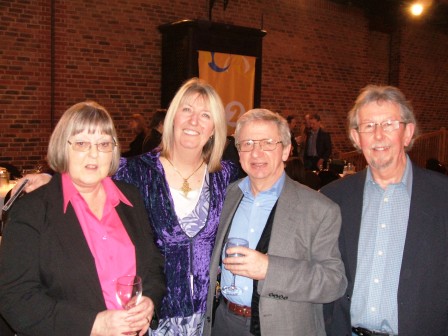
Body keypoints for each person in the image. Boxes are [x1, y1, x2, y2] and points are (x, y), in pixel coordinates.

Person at [0, 101, 166, 336]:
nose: (94, 153)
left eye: (103, 144)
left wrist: (149, 300)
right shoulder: (32, 210)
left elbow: (153, 264)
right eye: (81, 143)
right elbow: (15, 296)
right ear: (62, 147)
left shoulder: (131, 198)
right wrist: (93, 324)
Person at [203, 109, 347, 336]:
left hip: (285, 328)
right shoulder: (228, 195)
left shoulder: (319, 209)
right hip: (225, 323)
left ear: (286, 150)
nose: (256, 152)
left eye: (268, 143)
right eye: (247, 143)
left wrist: (270, 269)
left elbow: (333, 282)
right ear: (239, 152)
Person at [320, 85, 448, 335]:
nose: (378, 135)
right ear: (356, 138)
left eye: (389, 124)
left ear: (408, 133)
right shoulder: (333, 198)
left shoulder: (442, 197)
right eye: (368, 126)